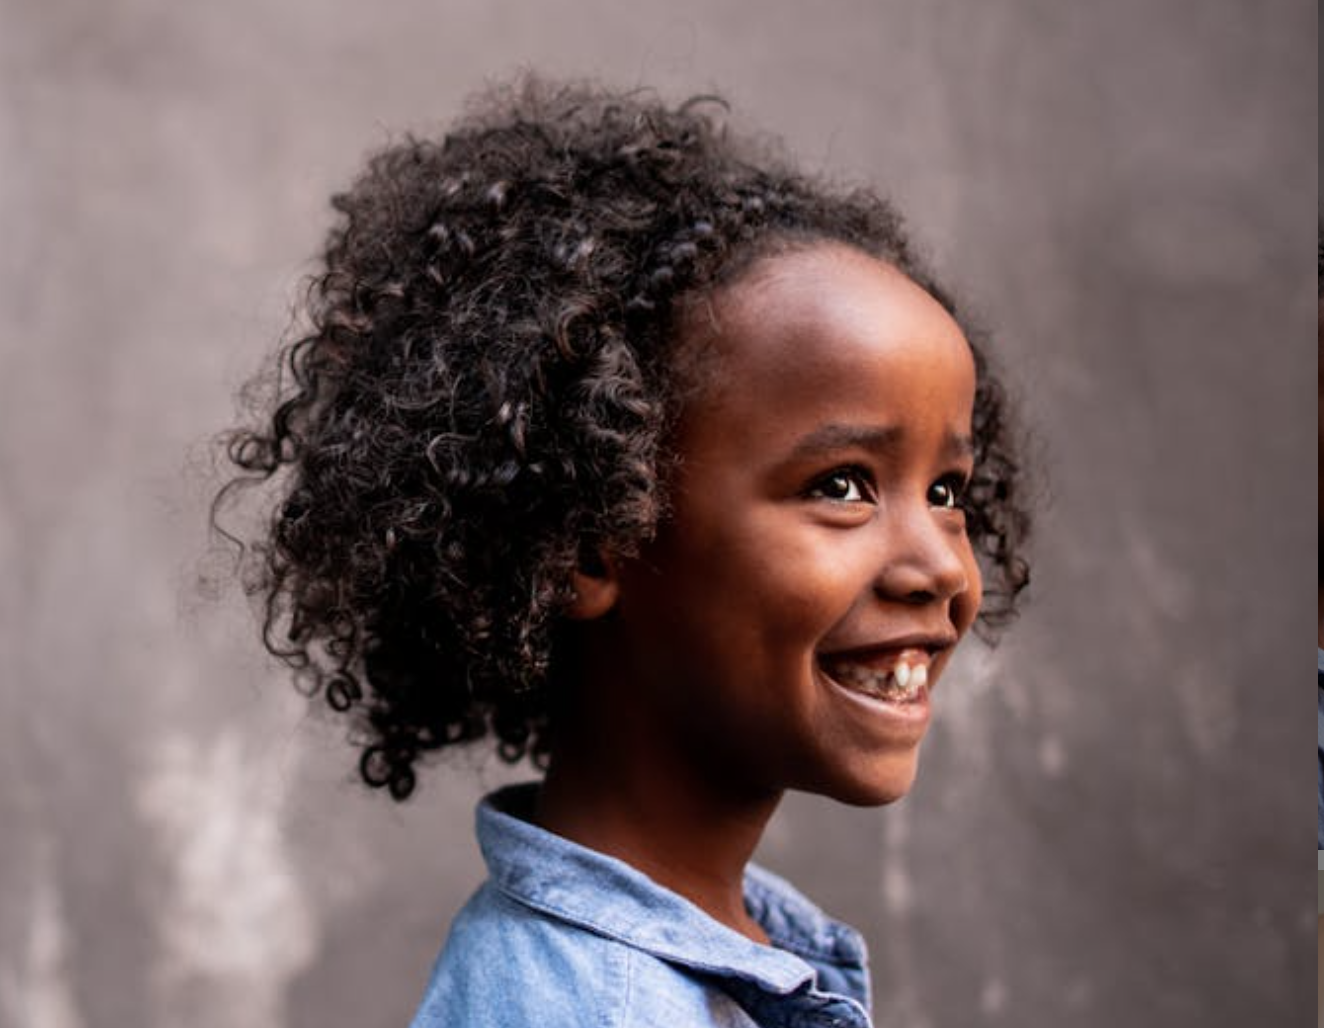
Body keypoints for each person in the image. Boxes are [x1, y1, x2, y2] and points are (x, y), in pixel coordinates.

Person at [215, 77, 1032, 1028]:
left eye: (947, 493)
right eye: (842, 485)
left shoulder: (714, 963)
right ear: (590, 542)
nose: (939, 566)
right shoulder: (591, 1008)